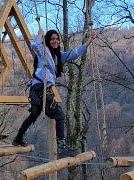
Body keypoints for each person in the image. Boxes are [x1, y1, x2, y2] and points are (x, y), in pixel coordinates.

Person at [12, 28, 97, 157]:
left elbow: (74, 53)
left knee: (34, 114)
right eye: (52, 39)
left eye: (57, 39)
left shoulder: (59, 56)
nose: (55, 41)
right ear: (48, 40)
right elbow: (35, 45)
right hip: (40, 87)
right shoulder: (43, 51)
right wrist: (40, 35)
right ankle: (61, 147)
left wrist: (89, 41)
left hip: (39, 88)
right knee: (59, 114)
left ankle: (18, 138)